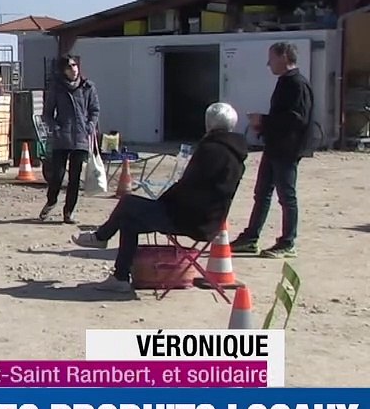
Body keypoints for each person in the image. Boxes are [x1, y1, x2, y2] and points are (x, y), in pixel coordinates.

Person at [71, 102, 248, 294]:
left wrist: (165, 201)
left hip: (190, 219)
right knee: (129, 220)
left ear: (209, 124)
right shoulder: (234, 155)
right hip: (205, 218)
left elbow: (189, 188)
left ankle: (101, 238)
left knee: (128, 203)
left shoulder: (212, 151)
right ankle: (119, 277)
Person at [230, 41, 314, 258]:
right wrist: (263, 125)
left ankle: (288, 242)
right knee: (262, 194)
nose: (268, 64)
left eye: (272, 58)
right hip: (275, 147)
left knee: (287, 196)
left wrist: (264, 120)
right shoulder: (285, 82)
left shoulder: (297, 84)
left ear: (284, 56)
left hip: (287, 150)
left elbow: (297, 120)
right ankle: (251, 238)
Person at [39, 55, 100, 224]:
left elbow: (95, 110)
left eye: (74, 65)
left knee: (75, 178)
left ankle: (69, 212)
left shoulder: (88, 87)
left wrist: (90, 126)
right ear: (63, 71)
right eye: (69, 67)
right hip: (62, 138)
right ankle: (51, 201)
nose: (73, 69)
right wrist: (55, 128)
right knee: (57, 176)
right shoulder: (57, 88)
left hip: (81, 138)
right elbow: (47, 113)